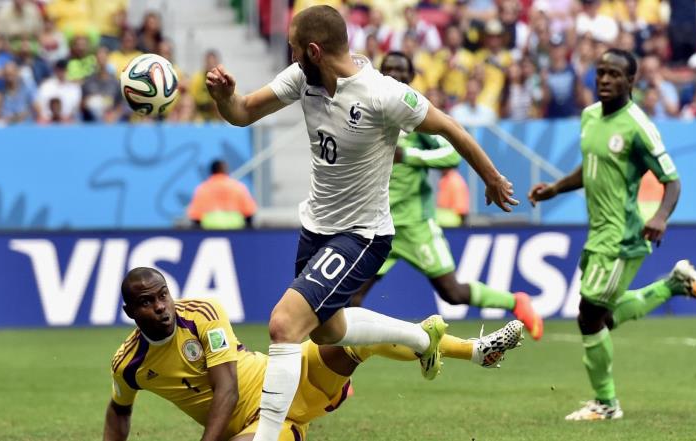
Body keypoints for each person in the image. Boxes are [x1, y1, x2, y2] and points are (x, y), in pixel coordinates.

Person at [205, 6, 518, 440]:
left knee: (284, 325)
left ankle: (265, 436)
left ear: (314, 51)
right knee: (328, 331)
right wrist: (224, 97)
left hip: (362, 235)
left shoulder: (383, 94)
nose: (291, 57)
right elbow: (241, 112)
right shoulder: (302, 78)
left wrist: (491, 177)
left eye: (294, 49)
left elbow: (452, 129)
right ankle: (425, 340)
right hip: (315, 230)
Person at [103, 267, 525, 441]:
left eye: (163, 295)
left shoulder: (201, 314)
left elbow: (226, 389)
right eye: (147, 302)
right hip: (261, 426)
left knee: (352, 333)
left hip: (292, 375)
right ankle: (430, 343)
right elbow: (119, 411)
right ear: (130, 312)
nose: (161, 307)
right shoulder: (129, 364)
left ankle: (475, 351)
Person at [528, 48, 696, 421]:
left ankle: (606, 403)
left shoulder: (638, 127)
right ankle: (673, 285)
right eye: (601, 72)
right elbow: (591, 165)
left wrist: (660, 216)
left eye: (614, 74)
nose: (604, 79)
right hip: (598, 233)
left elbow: (672, 180)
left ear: (631, 81)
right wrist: (555, 189)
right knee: (599, 316)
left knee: (589, 316)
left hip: (622, 235)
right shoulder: (589, 116)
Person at [350, 52, 543, 341]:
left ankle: (516, 302)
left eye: (400, 71)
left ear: (411, 77)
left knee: (452, 293)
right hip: (378, 226)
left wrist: (409, 155)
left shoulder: (414, 114)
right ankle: (343, 368)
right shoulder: (369, 113)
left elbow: (451, 154)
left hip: (415, 225)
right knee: (352, 299)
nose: (393, 75)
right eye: (388, 69)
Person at [186, 159, 257, 229]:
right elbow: (249, 211)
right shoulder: (238, 187)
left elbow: (195, 215)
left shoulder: (203, 188)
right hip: (235, 226)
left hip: (210, 227)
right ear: (226, 171)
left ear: (211, 172)